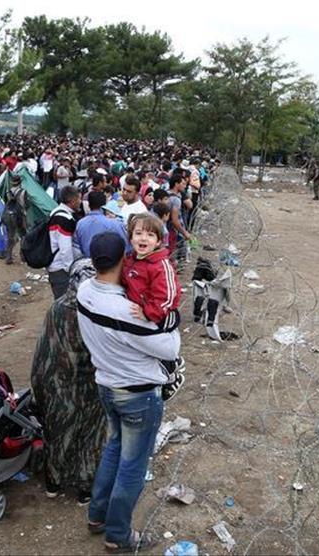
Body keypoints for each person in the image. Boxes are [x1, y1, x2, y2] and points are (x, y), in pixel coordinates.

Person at [77, 232, 180, 553]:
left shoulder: (84, 291)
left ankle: (97, 516)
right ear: (124, 258)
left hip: (106, 385)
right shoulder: (124, 310)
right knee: (133, 465)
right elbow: (171, 346)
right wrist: (170, 316)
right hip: (137, 394)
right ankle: (118, 534)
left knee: (114, 449)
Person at [30, 258, 107, 504]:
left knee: (57, 432)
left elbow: (43, 350)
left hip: (55, 384)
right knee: (90, 434)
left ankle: (53, 482)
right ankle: (85, 488)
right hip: (88, 386)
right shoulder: (97, 311)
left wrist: (41, 386)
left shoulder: (57, 307)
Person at [121, 213, 185, 401]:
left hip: (162, 314)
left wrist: (149, 312)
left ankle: (171, 374)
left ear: (158, 241)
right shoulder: (132, 260)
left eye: (150, 235)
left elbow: (168, 294)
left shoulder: (160, 264)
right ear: (131, 237)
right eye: (138, 233)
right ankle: (171, 363)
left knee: (156, 344)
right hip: (144, 311)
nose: (143, 238)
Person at [47, 186, 82, 299]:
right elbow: (65, 249)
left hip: (55, 265)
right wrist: (71, 269)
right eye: (79, 199)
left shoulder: (55, 211)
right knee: (64, 303)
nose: (80, 202)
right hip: (60, 268)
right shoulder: (64, 219)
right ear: (72, 201)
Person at [74, 191, 129, 257]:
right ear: (104, 205)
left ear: (89, 205)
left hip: (86, 262)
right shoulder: (114, 224)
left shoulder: (80, 224)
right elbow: (127, 247)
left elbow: (76, 247)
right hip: (109, 263)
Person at [1, 174, 27, 265]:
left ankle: (9, 257)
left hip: (8, 215)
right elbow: (25, 206)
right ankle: (23, 256)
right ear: (20, 183)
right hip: (19, 216)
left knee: (10, 237)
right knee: (23, 234)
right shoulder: (23, 192)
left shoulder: (7, 192)